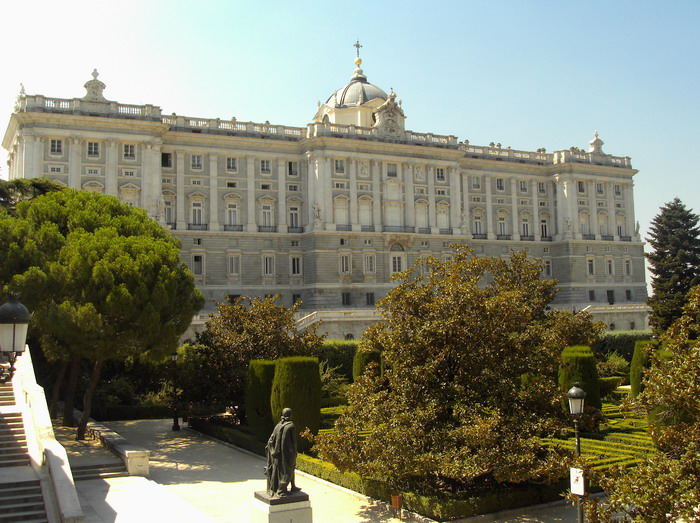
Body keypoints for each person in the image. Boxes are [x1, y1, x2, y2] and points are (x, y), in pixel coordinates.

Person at [264, 408, 300, 497]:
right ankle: (281, 490)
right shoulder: (291, 426)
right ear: (290, 415)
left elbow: (271, 439)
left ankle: (293, 486)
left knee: (287, 469)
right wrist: (295, 452)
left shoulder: (278, 425)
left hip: (276, 453)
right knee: (287, 470)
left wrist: (273, 451)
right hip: (287, 453)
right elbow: (294, 442)